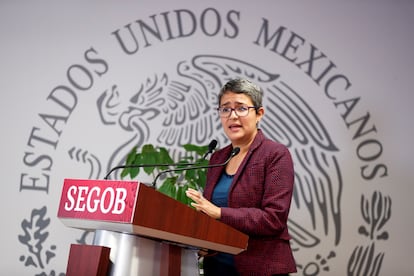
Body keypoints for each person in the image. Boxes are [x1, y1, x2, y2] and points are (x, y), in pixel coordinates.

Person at [186, 78, 297, 276]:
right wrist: (201, 243)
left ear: (259, 114)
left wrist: (220, 213)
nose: (232, 116)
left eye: (241, 108)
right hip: (217, 267)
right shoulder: (218, 157)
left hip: (260, 267)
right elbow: (212, 217)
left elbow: (274, 219)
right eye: (225, 109)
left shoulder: (275, 154)